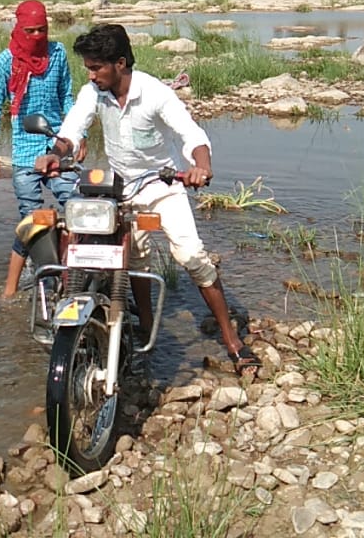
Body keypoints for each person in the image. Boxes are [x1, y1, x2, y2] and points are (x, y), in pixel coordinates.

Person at [34, 24, 259, 377]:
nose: (91, 75)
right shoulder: (94, 93)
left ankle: (232, 341)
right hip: (120, 188)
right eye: (88, 68)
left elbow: (192, 134)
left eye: (96, 67)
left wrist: (201, 166)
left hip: (163, 185)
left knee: (190, 255)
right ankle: (145, 325)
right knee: (130, 257)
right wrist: (54, 153)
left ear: (119, 63)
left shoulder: (155, 94)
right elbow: (71, 129)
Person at [0, 0, 81, 300]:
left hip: (57, 146)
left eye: (42, 30)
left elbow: (67, 97)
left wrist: (79, 133)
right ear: (19, 29)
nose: (37, 35)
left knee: (77, 208)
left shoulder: (58, 54)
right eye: (30, 30)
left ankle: (70, 275)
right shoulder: (7, 61)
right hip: (25, 153)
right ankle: (9, 291)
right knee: (31, 219)